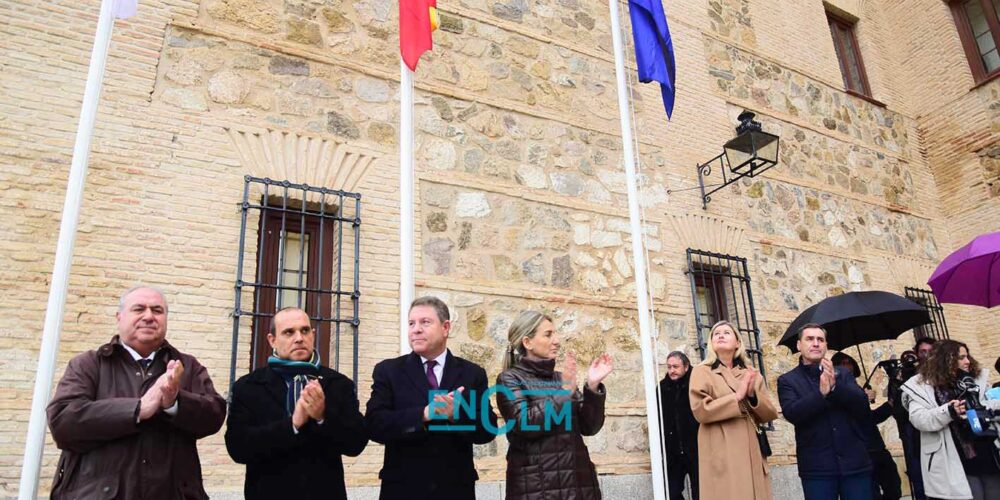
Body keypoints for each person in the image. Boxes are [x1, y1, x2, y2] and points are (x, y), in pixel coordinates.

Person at [46, 285, 226, 499]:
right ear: (119, 317)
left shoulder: (186, 366)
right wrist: (137, 409)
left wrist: (174, 403)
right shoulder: (89, 364)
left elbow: (214, 415)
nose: (149, 316)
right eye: (139, 309)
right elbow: (63, 422)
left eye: (157, 310)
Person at [225, 307, 368, 499]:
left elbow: (356, 443)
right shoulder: (249, 387)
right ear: (272, 340)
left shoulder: (338, 384)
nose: (299, 338)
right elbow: (238, 448)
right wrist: (292, 425)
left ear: (313, 334)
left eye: (305, 330)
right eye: (289, 332)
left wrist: (322, 417)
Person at [365, 296, 498, 500]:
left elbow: (488, 429)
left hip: (455, 489)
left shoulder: (472, 373)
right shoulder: (389, 371)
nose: (416, 329)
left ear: (445, 328)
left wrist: (457, 415)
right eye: (411, 323)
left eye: (425, 322)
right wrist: (424, 414)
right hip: (403, 489)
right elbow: (375, 425)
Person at [496, 310, 612, 500]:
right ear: (528, 342)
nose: (557, 340)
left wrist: (592, 387)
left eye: (555, 333)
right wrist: (564, 394)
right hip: (538, 489)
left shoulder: (560, 379)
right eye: (548, 334)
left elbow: (589, 426)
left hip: (579, 486)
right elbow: (525, 423)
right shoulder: (509, 379)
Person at [777, 324, 873, 500]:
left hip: (855, 464)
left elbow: (862, 405)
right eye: (810, 339)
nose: (815, 343)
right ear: (799, 345)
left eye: (820, 340)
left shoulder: (843, 374)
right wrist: (820, 393)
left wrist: (835, 386)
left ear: (826, 345)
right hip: (817, 468)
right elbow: (792, 413)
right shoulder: (788, 380)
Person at [689, 320, 778, 500]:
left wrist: (752, 395)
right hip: (718, 444)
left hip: (749, 445)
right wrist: (736, 398)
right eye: (716, 333)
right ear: (712, 343)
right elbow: (700, 410)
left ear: (738, 342)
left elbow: (769, 413)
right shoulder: (701, 371)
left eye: (727, 332)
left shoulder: (751, 372)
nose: (720, 335)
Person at [902, 339, 1000, 500]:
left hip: (987, 453)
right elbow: (919, 419)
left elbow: (988, 402)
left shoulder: (975, 379)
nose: (967, 361)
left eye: (967, 356)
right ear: (944, 359)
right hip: (954, 459)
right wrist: (949, 410)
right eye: (961, 358)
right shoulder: (919, 386)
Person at [832, 352, 902, 500]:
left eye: (849, 362)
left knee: (894, 488)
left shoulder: (857, 388)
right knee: (871, 493)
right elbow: (849, 418)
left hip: (876, 447)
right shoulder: (835, 391)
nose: (847, 366)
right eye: (842, 363)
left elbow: (870, 419)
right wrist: (862, 398)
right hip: (860, 452)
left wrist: (889, 405)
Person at [892, 338, 935, 500]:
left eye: (930, 351)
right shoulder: (908, 377)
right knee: (919, 481)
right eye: (922, 352)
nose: (926, 355)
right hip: (915, 436)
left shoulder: (944, 375)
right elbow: (898, 409)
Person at [660, 351, 699, 500]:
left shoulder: (697, 384)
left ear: (686, 367)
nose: (672, 370)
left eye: (675, 366)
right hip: (673, 451)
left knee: (700, 490)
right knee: (671, 491)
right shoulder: (663, 388)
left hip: (696, 449)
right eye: (669, 367)